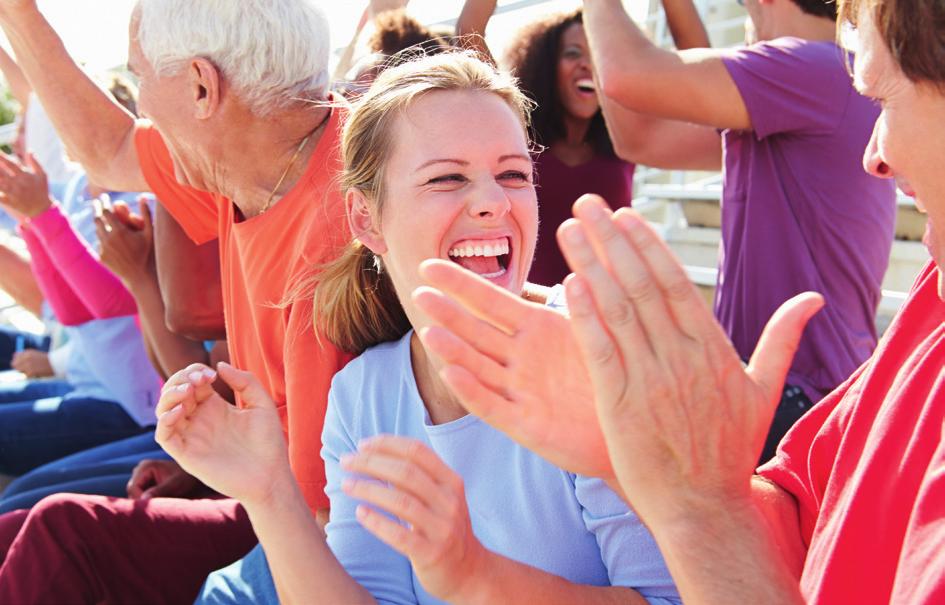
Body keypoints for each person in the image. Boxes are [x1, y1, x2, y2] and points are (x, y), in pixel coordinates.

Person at [410, 0, 945, 601]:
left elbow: (634, 79)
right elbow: (797, 530)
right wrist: (645, 463)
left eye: (884, 98)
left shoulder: (807, 67)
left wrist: (694, 507)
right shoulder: (934, 293)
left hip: (796, 382)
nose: (871, 154)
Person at [156, 51, 680, 605]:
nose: (493, 203)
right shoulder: (362, 396)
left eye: (513, 174)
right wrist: (267, 491)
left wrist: (474, 575)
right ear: (365, 218)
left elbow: (672, 596)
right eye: (448, 178)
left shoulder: (599, 358)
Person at [0, 0, 350, 601]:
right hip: (269, 488)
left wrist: (211, 474)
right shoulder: (249, 155)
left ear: (200, 87)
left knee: (56, 532)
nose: (138, 105)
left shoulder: (337, 240)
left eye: (138, 79)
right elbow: (104, 148)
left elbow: (323, 517)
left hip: (320, 538)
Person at [582, 0, 897, 460]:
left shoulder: (809, 68)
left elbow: (628, 76)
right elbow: (641, 138)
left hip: (796, 398)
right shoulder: (811, 83)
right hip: (794, 393)